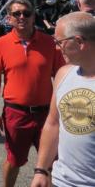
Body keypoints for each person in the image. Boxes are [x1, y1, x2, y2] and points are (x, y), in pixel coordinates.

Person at [0, 0, 64, 187]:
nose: (22, 17)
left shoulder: (49, 43)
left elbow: (61, 75)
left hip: (46, 115)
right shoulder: (1, 43)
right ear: (9, 18)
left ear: (33, 17)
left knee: (52, 163)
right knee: (14, 160)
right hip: (16, 113)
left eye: (26, 13)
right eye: (16, 13)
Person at [31, 12, 95, 187]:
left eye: (59, 42)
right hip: (62, 181)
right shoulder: (64, 74)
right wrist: (41, 170)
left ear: (79, 42)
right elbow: (53, 123)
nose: (57, 48)